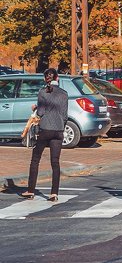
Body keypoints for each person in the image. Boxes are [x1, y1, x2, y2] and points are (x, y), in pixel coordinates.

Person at [21, 68, 68, 202]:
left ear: (44, 79)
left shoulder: (42, 92)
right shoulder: (64, 94)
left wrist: (35, 108)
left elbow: (41, 112)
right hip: (58, 130)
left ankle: (30, 190)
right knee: (55, 162)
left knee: (35, 159)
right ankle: (54, 193)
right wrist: (61, 127)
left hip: (45, 129)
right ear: (57, 78)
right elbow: (65, 115)